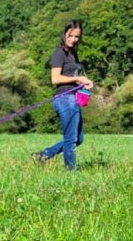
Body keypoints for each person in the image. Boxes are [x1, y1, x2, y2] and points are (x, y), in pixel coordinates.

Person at [33, 20, 94, 170]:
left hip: (73, 98)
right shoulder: (59, 53)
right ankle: (71, 172)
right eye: (70, 35)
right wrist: (78, 78)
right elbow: (55, 79)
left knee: (78, 139)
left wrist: (83, 84)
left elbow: (70, 78)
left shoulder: (72, 54)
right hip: (64, 100)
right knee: (71, 139)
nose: (73, 39)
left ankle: (44, 154)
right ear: (64, 34)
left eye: (77, 37)